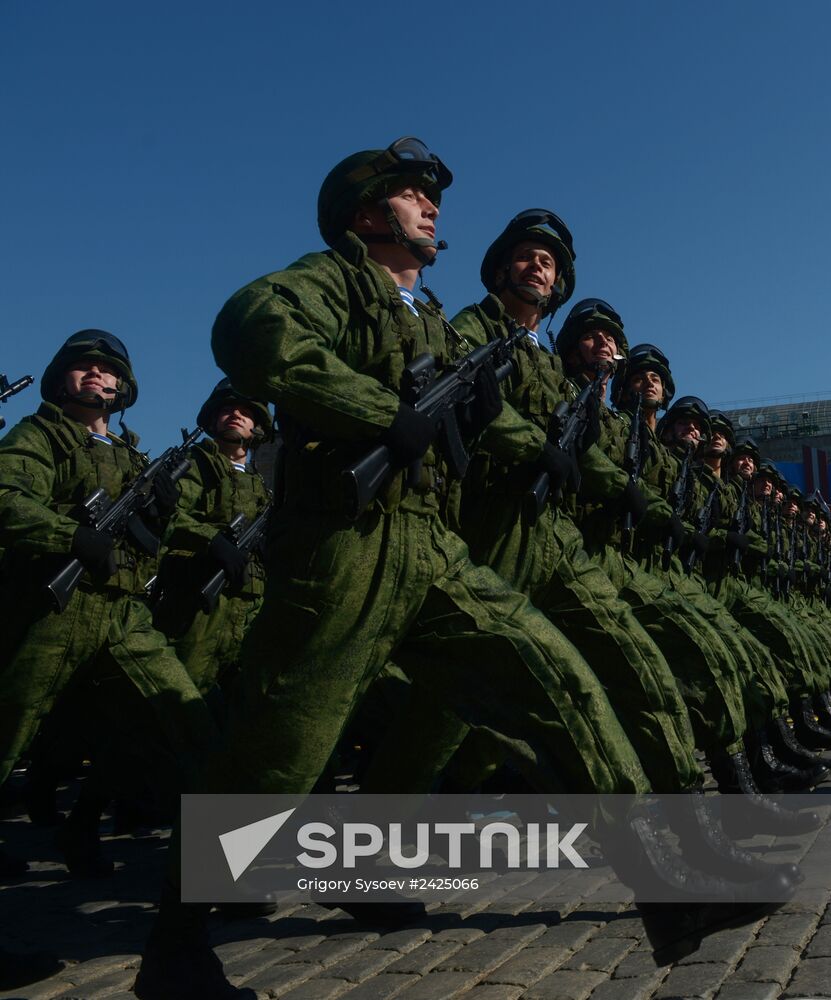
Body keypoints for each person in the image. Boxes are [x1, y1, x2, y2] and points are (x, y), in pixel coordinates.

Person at [135, 139, 791, 999]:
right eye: (409, 195)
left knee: (561, 685)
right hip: (347, 546)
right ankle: (176, 945)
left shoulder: (433, 320)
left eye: (428, 196)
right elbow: (247, 330)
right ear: (364, 215)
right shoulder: (331, 280)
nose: (429, 206)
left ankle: (669, 886)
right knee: (280, 753)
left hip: (434, 547)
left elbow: (479, 423)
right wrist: (379, 410)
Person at [152, 379, 273, 702]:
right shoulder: (192, 465)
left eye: (245, 412)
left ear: (258, 426)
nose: (235, 415)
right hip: (198, 609)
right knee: (184, 703)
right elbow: (167, 518)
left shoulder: (262, 484)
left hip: (250, 612)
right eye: (227, 410)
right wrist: (212, 541)